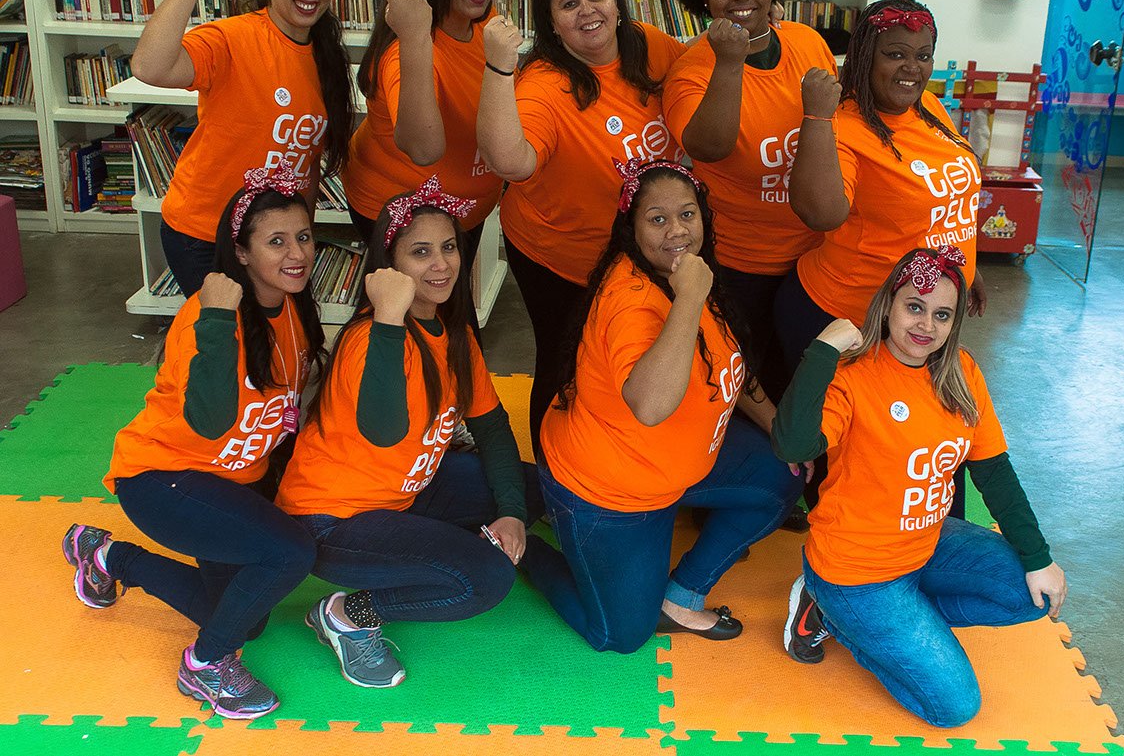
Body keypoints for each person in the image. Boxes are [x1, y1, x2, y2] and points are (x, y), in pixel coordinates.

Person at [62, 170, 325, 719]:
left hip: (229, 482)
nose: (297, 254)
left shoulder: (292, 306)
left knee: (246, 618)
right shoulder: (206, 318)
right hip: (164, 479)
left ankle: (107, 556)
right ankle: (204, 665)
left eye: (303, 237)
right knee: (290, 552)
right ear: (242, 252)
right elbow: (209, 423)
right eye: (276, 241)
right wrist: (217, 316)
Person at [772, 247, 1066, 727]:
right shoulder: (852, 375)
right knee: (954, 708)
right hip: (857, 571)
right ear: (888, 303)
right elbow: (792, 444)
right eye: (914, 306)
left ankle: (887, 620)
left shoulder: (962, 373)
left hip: (927, 543)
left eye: (942, 315)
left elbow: (994, 472)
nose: (926, 325)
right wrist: (823, 349)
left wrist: (1039, 558)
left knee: (1034, 594)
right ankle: (835, 612)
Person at [522, 159, 802, 654]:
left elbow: (729, 361)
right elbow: (650, 406)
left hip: (678, 467)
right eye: (657, 219)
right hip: (611, 492)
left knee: (783, 473)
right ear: (631, 228)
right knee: (620, 635)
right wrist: (689, 298)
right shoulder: (633, 298)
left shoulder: (685, 273)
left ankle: (682, 596)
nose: (677, 230)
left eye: (687, 214)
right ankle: (520, 546)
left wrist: (778, 425)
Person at [275, 175, 541, 688]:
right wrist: (389, 315)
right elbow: (384, 431)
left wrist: (510, 512)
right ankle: (345, 614)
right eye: (421, 252)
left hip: (408, 491)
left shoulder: (454, 332)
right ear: (389, 266)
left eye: (448, 248)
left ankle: (480, 541)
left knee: (531, 490)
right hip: (334, 520)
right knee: (486, 580)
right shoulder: (369, 338)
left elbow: (492, 428)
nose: (441, 264)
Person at [774, 0, 988, 509]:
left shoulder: (929, 108)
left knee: (923, 454)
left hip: (918, 313)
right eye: (895, 54)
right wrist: (817, 117)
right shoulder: (844, 126)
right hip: (847, 317)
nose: (912, 68)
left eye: (923, 55)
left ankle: (928, 542)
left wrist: (965, 265)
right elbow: (820, 212)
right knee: (852, 474)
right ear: (865, 57)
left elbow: (946, 199)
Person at [477, 0, 686, 450]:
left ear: (617, 0)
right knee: (562, 364)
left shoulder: (649, 45)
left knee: (632, 358)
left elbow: (703, 75)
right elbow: (510, 162)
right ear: (551, 24)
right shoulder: (545, 84)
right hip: (560, 257)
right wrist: (500, 69)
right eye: (568, 4)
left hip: (639, 254)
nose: (587, 11)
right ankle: (552, 472)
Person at [131, 0, 355, 298]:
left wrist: (301, 237)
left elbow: (305, 163)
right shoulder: (232, 37)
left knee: (270, 330)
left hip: (270, 241)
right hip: (205, 234)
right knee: (229, 331)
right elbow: (148, 67)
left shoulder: (326, 55)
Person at [664, 0, 839, 397]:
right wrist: (729, 60)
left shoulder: (808, 43)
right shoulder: (691, 70)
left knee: (806, 386)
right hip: (738, 266)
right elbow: (709, 147)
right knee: (738, 384)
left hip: (815, 262)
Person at [341, 0, 503, 244]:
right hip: (404, 217)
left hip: (463, 214)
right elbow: (424, 149)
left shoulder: (485, 20)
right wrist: (414, 37)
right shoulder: (405, 50)